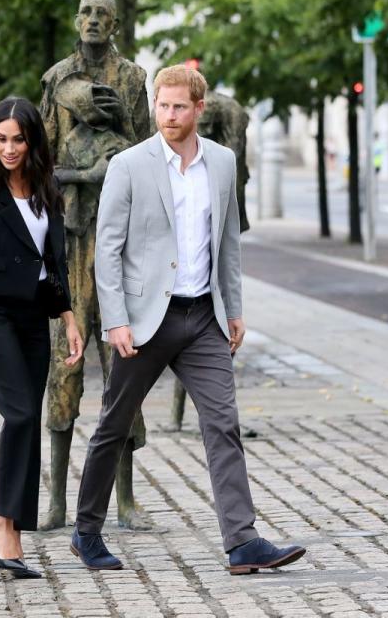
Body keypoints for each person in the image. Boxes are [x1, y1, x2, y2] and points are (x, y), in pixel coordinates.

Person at [70, 64, 305, 575]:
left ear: (199, 109)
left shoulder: (221, 163)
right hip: (145, 319)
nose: (169, 115)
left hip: (203, 319)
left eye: (179, 107)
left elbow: (227, 244)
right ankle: (86, 532)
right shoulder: (129, 165)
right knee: (114, 425)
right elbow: (106, 250)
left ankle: (242, 542)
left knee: (223, 424)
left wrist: (234, 308)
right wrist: (115, 320)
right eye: (162, 105)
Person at [0, 97, 83, 579]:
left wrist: (68, 317)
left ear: (33, 140)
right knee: (22, 413)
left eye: (17, 139)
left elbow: (54, 260)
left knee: (29, 419)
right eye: (1, 139)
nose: (8, 148)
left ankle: (10, 525)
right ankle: (4, 525)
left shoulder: (46, 185)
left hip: (34, 316)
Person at [38, 0, 152, 531]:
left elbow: (146, 155)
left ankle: (124, 497)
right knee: (66, 361)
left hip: (121, 243)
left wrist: (115, 127)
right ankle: (58, 497)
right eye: (85, 12)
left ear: (115, 24)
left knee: (122, 365)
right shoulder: (56, 80)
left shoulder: (131, 79)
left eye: (102, 14)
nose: (91, 21)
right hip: (70, 238)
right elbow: (40, 163)